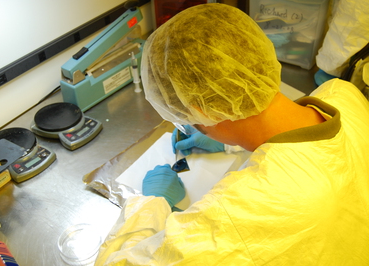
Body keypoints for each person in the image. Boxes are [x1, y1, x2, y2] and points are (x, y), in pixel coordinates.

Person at [95, 3, 369, 265]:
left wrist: (150, 205)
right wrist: (231, 145)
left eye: (188, 118)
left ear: (205, 111)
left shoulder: (238, 212)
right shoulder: (342, 94)